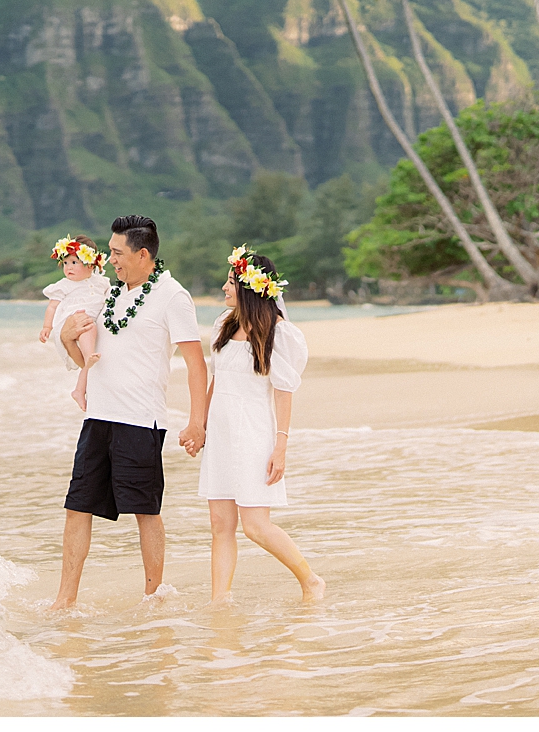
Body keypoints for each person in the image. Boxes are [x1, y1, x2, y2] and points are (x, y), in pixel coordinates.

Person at [50, 215, 209, 610]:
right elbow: (87, 358)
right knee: (77, 506)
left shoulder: (173, 296)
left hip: (140, 419)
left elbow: (196, 363)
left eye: (118, 253)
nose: (111, 259)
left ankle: (153, 595)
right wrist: (68, 338)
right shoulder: (110, 294)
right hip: (98, 417)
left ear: (143, 255)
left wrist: (196, 422)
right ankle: (64, 600)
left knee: (145, 511)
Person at [190, 245, 325, 605]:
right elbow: (216, 380)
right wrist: (200, 425)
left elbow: (283, 391)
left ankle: (310, 580)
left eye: (230, 281)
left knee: (255, 526)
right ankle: (220, 600)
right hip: (220, 433)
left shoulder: (278, 333)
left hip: (253, 433)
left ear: (250, 287)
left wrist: (281, 445)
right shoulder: (224, 324)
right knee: (220, 525)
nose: (224, 288)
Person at [39, 235, 110, 410]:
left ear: (91, 265)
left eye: (74, 263)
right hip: (72, 321)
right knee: (88, 333)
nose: (68, 268)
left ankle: (79, 389)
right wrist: (47, 326)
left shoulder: (100, 282)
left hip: (89, 322)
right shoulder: (64, 285)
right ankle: (87, 363)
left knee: (90, 337)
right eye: (65, 263)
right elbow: (52, 307)